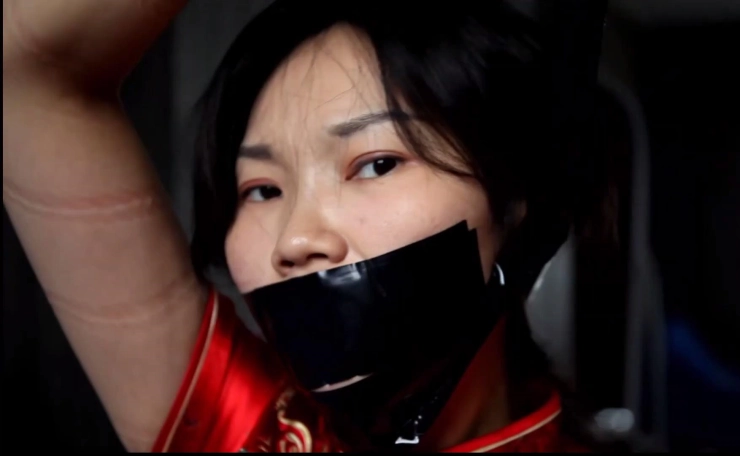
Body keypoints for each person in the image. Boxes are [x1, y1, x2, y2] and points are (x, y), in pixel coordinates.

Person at [3, 0, 590, 452]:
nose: (295, 240)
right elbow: (23, 68)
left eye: (377, 164)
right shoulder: (243, 428)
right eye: (262, 190)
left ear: (514, 201)